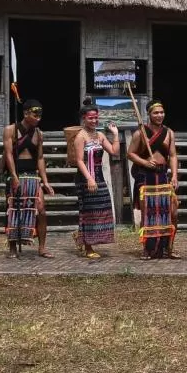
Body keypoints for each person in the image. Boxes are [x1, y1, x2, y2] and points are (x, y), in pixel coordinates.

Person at [2, 100, 55, 259]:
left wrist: (45, 181)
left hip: (32, 176)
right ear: (25, 113)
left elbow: (40, 158)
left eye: (40, 114)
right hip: (16, 174)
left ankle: (42, 248)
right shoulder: (10, 130)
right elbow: (9, 154)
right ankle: (12, 248)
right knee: (13, 210)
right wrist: (13, 176)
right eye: (35, 113)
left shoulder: (39, 134)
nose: (38, 117)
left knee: (41, 210)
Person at [128, 101, 180, 260]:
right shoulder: (140, 133)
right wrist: (144, 162)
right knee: (148, 212)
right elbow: (130, 153)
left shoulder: (169, 133)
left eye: (161, 112)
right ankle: (147, 249)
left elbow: (172, 155)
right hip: (145, 176)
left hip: (163, 175)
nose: (159, 115)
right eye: (155, 113)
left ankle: (168, 248)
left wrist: (175, 175)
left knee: (170, 212)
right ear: (149, 114)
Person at [73, 100, 119, 259]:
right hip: (85, 178)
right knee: (88, 213)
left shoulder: (99, 135)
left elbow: (113, 151)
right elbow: (79, 160)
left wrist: (115, 135)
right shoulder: (80, 136)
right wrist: (89, 179)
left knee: (103, 210)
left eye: (96, 118)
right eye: (90, 118)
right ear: (84, 118)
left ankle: (83, 238)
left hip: (99, 177)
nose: (94, 121)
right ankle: (88, 246)